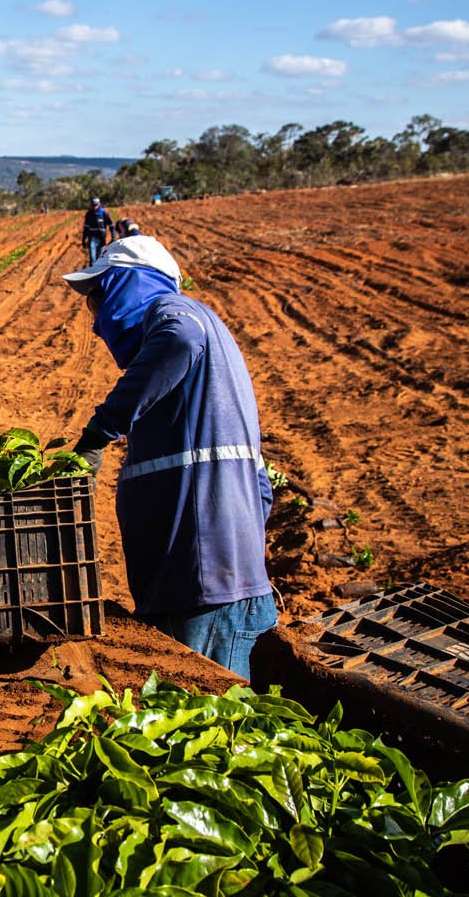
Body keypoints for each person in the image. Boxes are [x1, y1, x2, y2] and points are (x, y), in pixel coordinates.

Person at [64, 236, 275, 680]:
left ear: (128, 284)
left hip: (199, 581)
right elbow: (261, 485)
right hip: (215, 572)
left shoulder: (175, 317)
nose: (96, 322)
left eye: (99, 298)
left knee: (206, 717)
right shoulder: (207, 332)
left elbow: (179, 340)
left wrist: (99, 432)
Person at [82, 197, 113, 263]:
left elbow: (111, 225)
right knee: (92, 259)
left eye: (96, 205)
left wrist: (113, 237)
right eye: (93, 205)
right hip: (92, 238)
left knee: (100, 259)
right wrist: (84, 239)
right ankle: (92, 272)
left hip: (101, 238)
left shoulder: (104, 213)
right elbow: (86, 227)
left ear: (99, 204)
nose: (94, 207)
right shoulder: (89, 214)